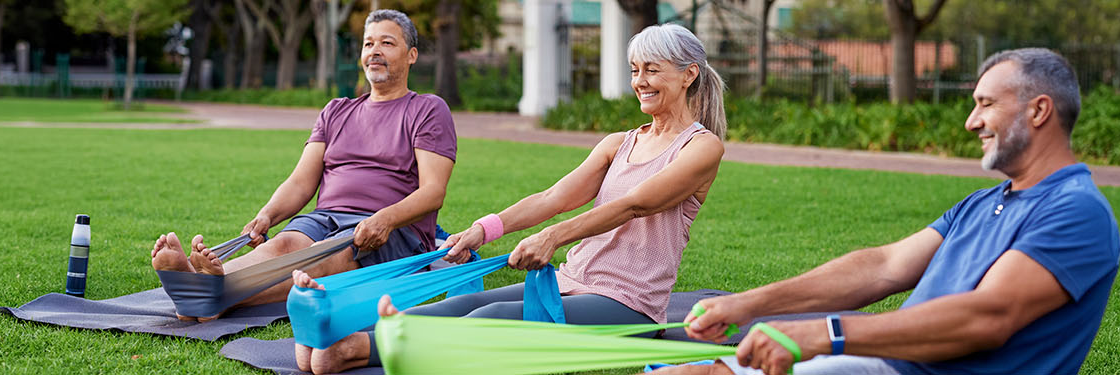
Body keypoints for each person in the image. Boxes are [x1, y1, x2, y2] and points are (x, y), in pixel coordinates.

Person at [293, 24, 730, 374]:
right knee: (463, 304)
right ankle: (342, 342)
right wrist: (481, 231)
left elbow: (635, 205)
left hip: (629, 305)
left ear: (689, 74)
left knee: (492, 316)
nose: (640, 82)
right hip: (572, 280)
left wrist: (551, 238)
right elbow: (554, 196)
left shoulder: (701, 147)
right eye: (635, 70)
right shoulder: (620, 142)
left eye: (652, 70)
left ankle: (354, 350)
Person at [663, 48, 1120, 375]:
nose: (972, 122)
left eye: (986, 104)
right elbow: (883, 267)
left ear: (1039, 111)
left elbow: (987, 317)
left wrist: (826, 334)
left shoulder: (1076, 210)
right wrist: (749, 304)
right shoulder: (985, 202)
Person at [147, 9, 456, 322]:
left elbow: (433, 191)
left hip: (391, 229)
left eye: (387, 43)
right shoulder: (336, 111)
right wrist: (267, 215)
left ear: (412, 55)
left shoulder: (427, 109)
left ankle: (211, 293)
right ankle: (204, 289)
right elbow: (300, 182)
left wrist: (385, 220)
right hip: (326, 217)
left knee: (327, 257)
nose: (375, 51)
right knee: (283, 245)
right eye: (368, 44)